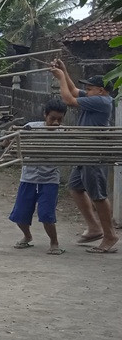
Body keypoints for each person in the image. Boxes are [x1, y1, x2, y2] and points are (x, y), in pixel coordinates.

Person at [50, 63, 118, 253]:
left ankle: (110, 235)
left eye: (89, 89)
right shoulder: (94, 98)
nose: (86, 91)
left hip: (94, 153)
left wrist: (61, 78)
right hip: (84, 151)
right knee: (75, 187)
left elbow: (68, 99)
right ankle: (94, 228)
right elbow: (72, 90)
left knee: (98, 195)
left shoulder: (103, 101)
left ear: (101, 90)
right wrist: (63, 71)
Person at [6, 99, 67, 255]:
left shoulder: (64, 133)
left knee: (47, 215)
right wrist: (10, 134)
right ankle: (27, 236)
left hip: (50, 180)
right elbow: (8, 144)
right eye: (52, 118)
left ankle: (54, 242)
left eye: (60, 119)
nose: (56, 123)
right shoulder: (31, 128)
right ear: (45, 115)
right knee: (20, 214)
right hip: (29, 178)